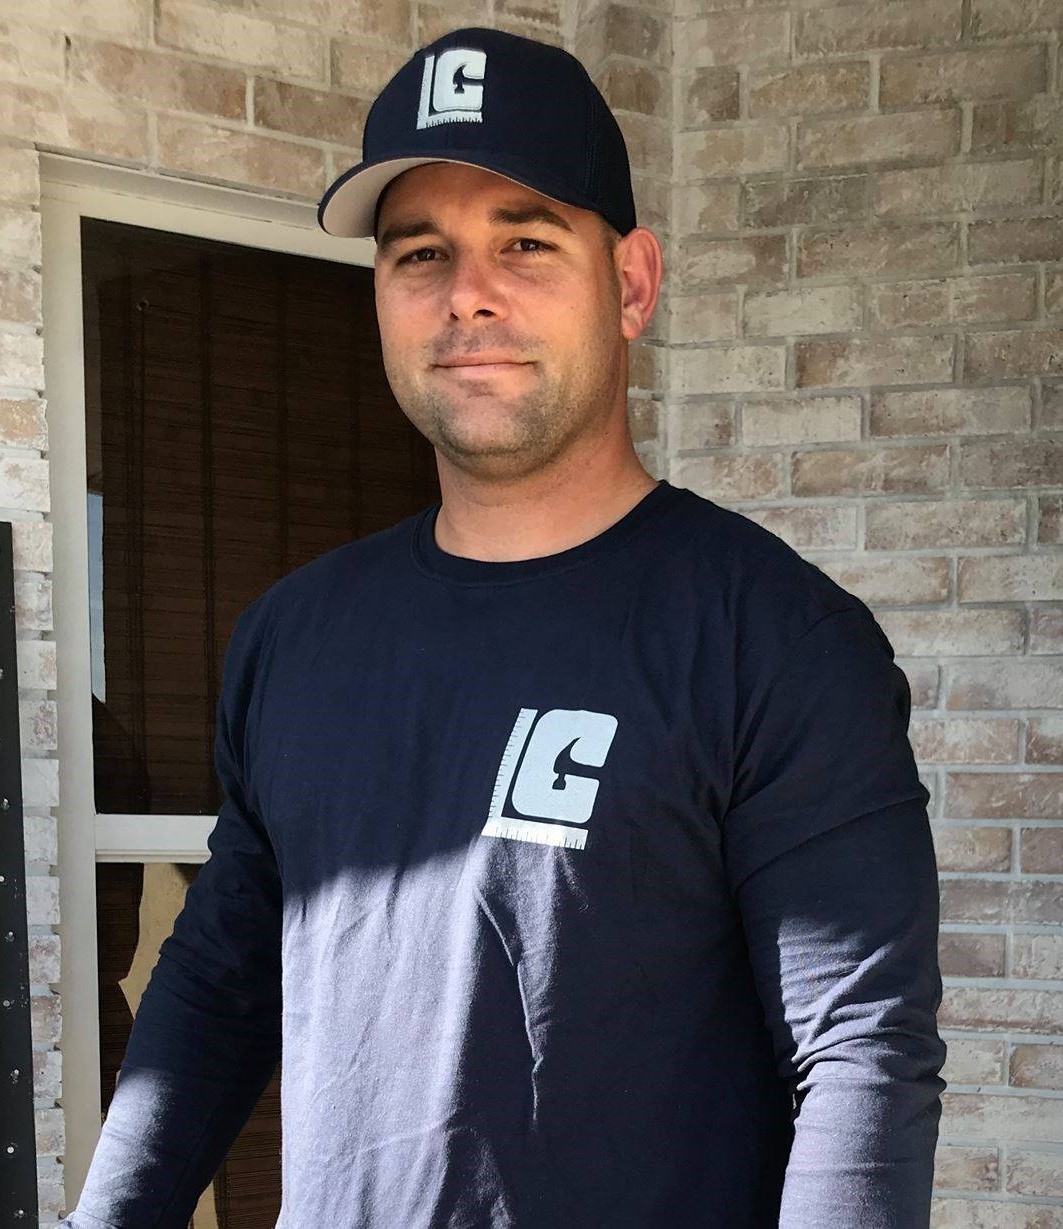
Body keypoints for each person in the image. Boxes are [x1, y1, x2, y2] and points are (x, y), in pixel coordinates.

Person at [61, 26, 946, 1229]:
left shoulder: (774, 640)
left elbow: (860, 1051)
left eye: (525, 241)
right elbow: (220, 982)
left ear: (629, 283)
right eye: (420, 253)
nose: (467, 292)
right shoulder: (293, 637)